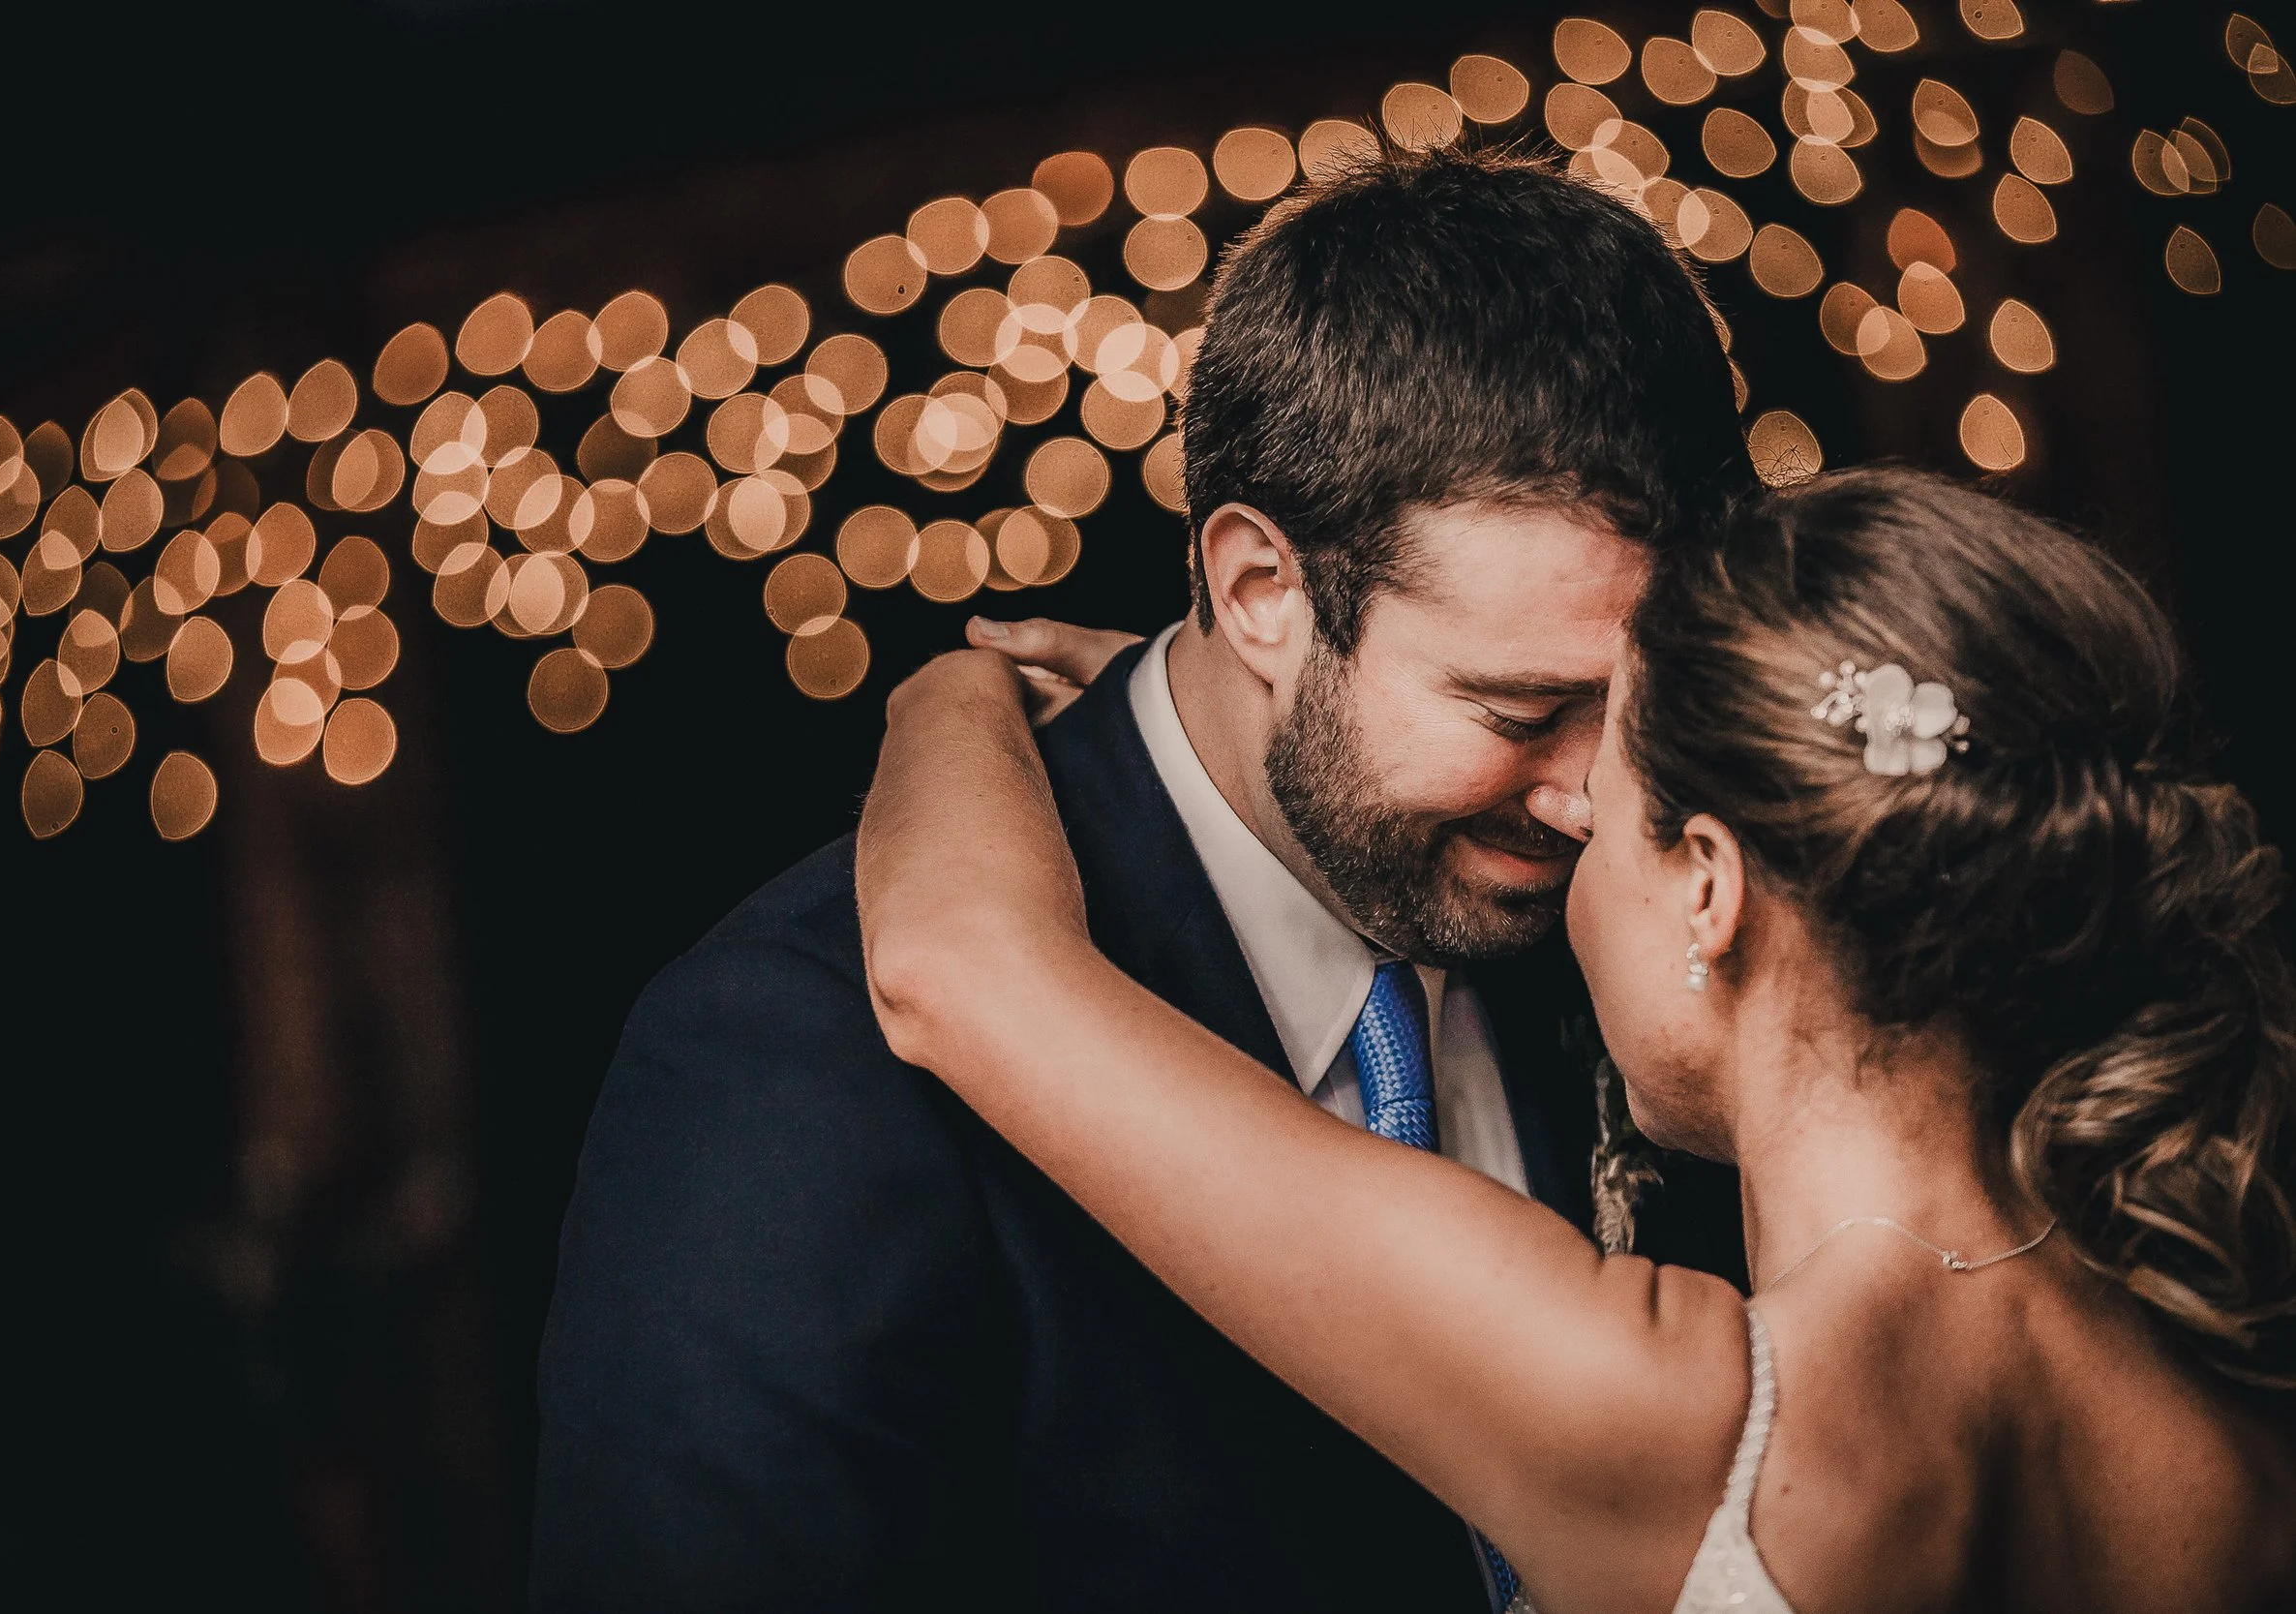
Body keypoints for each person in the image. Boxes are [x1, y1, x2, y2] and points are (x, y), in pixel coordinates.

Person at [531, 145, 1752, 1609]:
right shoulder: (794, 1055)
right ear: (1259, 591)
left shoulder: (1670, 911)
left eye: (1650, 699)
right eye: (1514, 710)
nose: (1597, 791)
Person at [856, 467, 2296, 1613]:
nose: (1558, 842)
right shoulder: (2211, 1406)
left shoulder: (1671, 1417)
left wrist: (956, 689)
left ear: (1714, 888)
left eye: (1597, 803)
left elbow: (956, 962)